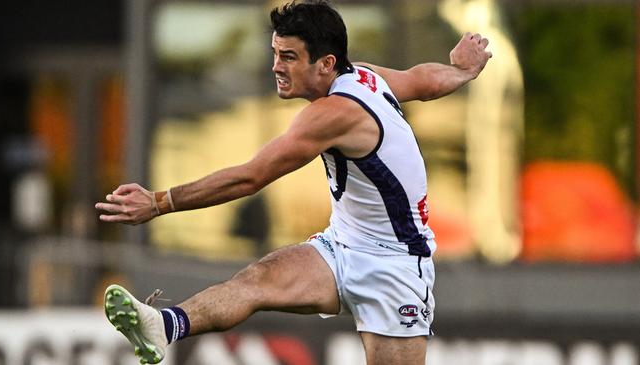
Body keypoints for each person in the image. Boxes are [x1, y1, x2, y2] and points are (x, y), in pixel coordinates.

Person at [96, 1, 492, 364]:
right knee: (256, 281)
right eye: (274, 54)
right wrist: (461, 70)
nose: (276, 67)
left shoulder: (333, 114)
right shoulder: (364, 76)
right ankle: (163, 326)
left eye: (289, 57)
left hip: (396, 267)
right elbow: (420, 81)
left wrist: (161, 202)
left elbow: (251, 177)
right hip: (342, 246)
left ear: (325, 64)